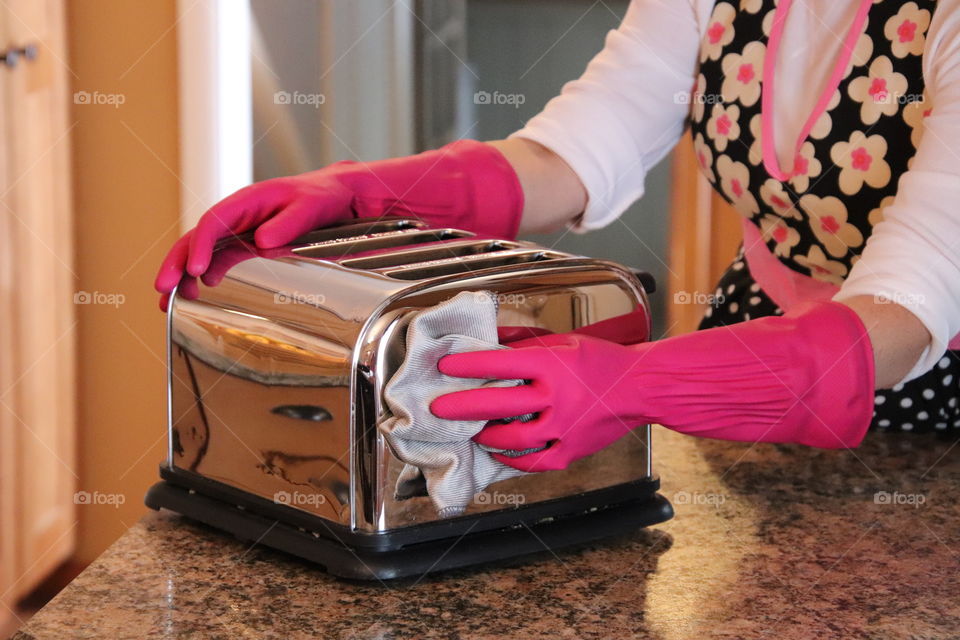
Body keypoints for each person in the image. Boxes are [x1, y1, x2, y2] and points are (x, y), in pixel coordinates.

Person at [156, 0, 960, 472]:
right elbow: (574, 152)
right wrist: (366, 192)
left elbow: (906, 312)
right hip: (759, 346)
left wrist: (633, 384)